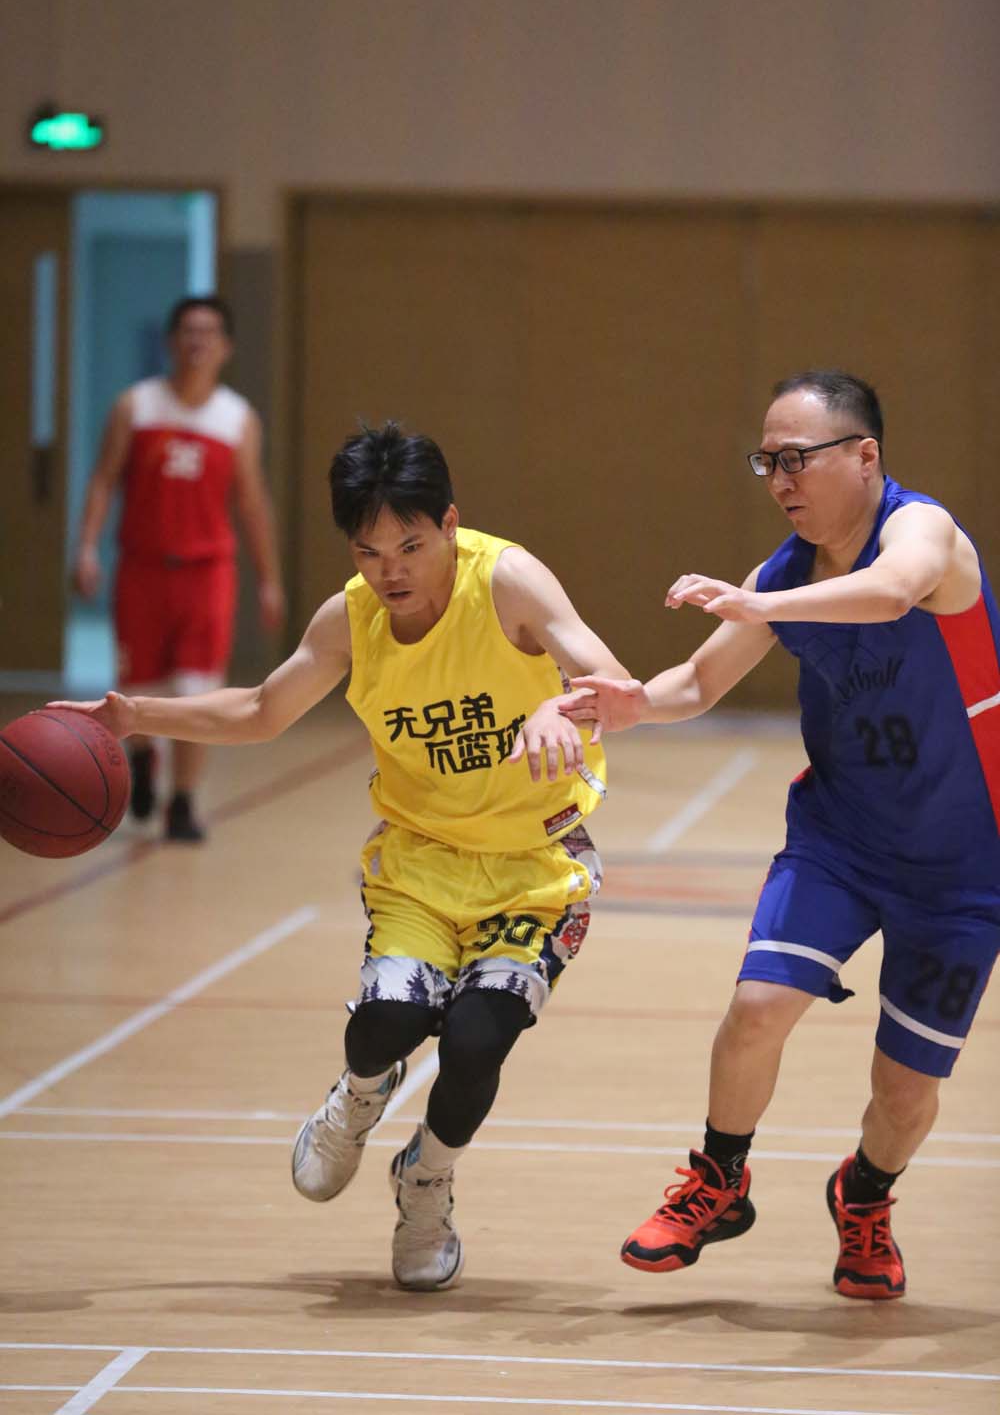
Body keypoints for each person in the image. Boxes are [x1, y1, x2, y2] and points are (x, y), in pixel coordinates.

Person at [57, 421, 628, 1290]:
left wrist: (562, 705)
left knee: (477, 1040)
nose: (391, 570)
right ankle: (359, 1099)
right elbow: (261, 711)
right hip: (421, 864)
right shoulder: (352, 620)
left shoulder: (507, 581)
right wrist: (135, 716)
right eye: (368, 551)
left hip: (535, 868)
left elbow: (612, 682)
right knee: (387, 1026)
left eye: (411, 545)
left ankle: (426, 1181)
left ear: (449, 523)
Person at [562, 370, 1000, 1299]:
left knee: (905, 1094)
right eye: (767, 462)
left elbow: (893, 593)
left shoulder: (922, 532)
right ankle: (720, 1181)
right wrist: (633, 704)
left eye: (796, 458)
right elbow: (697, 682)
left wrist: (761, 606)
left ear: (865, 456)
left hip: (965, 866)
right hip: (841, 839)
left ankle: (864, 1196)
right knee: (757, 1007)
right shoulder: (784, 576)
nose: (779, 481)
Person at [72, 294, 286, 841]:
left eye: (209, 332)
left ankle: (183, 801)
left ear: (226, 347)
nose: (197, 342)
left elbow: (252, 503)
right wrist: (87, 547)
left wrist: (269, 579)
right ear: (171, 341)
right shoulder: (135, 406)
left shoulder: (237, 419)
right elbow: (102, 480)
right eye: (188, 331)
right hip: (142, 569)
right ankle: (143, 758)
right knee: (137, 685)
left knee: (197, 689)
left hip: (207, 571)